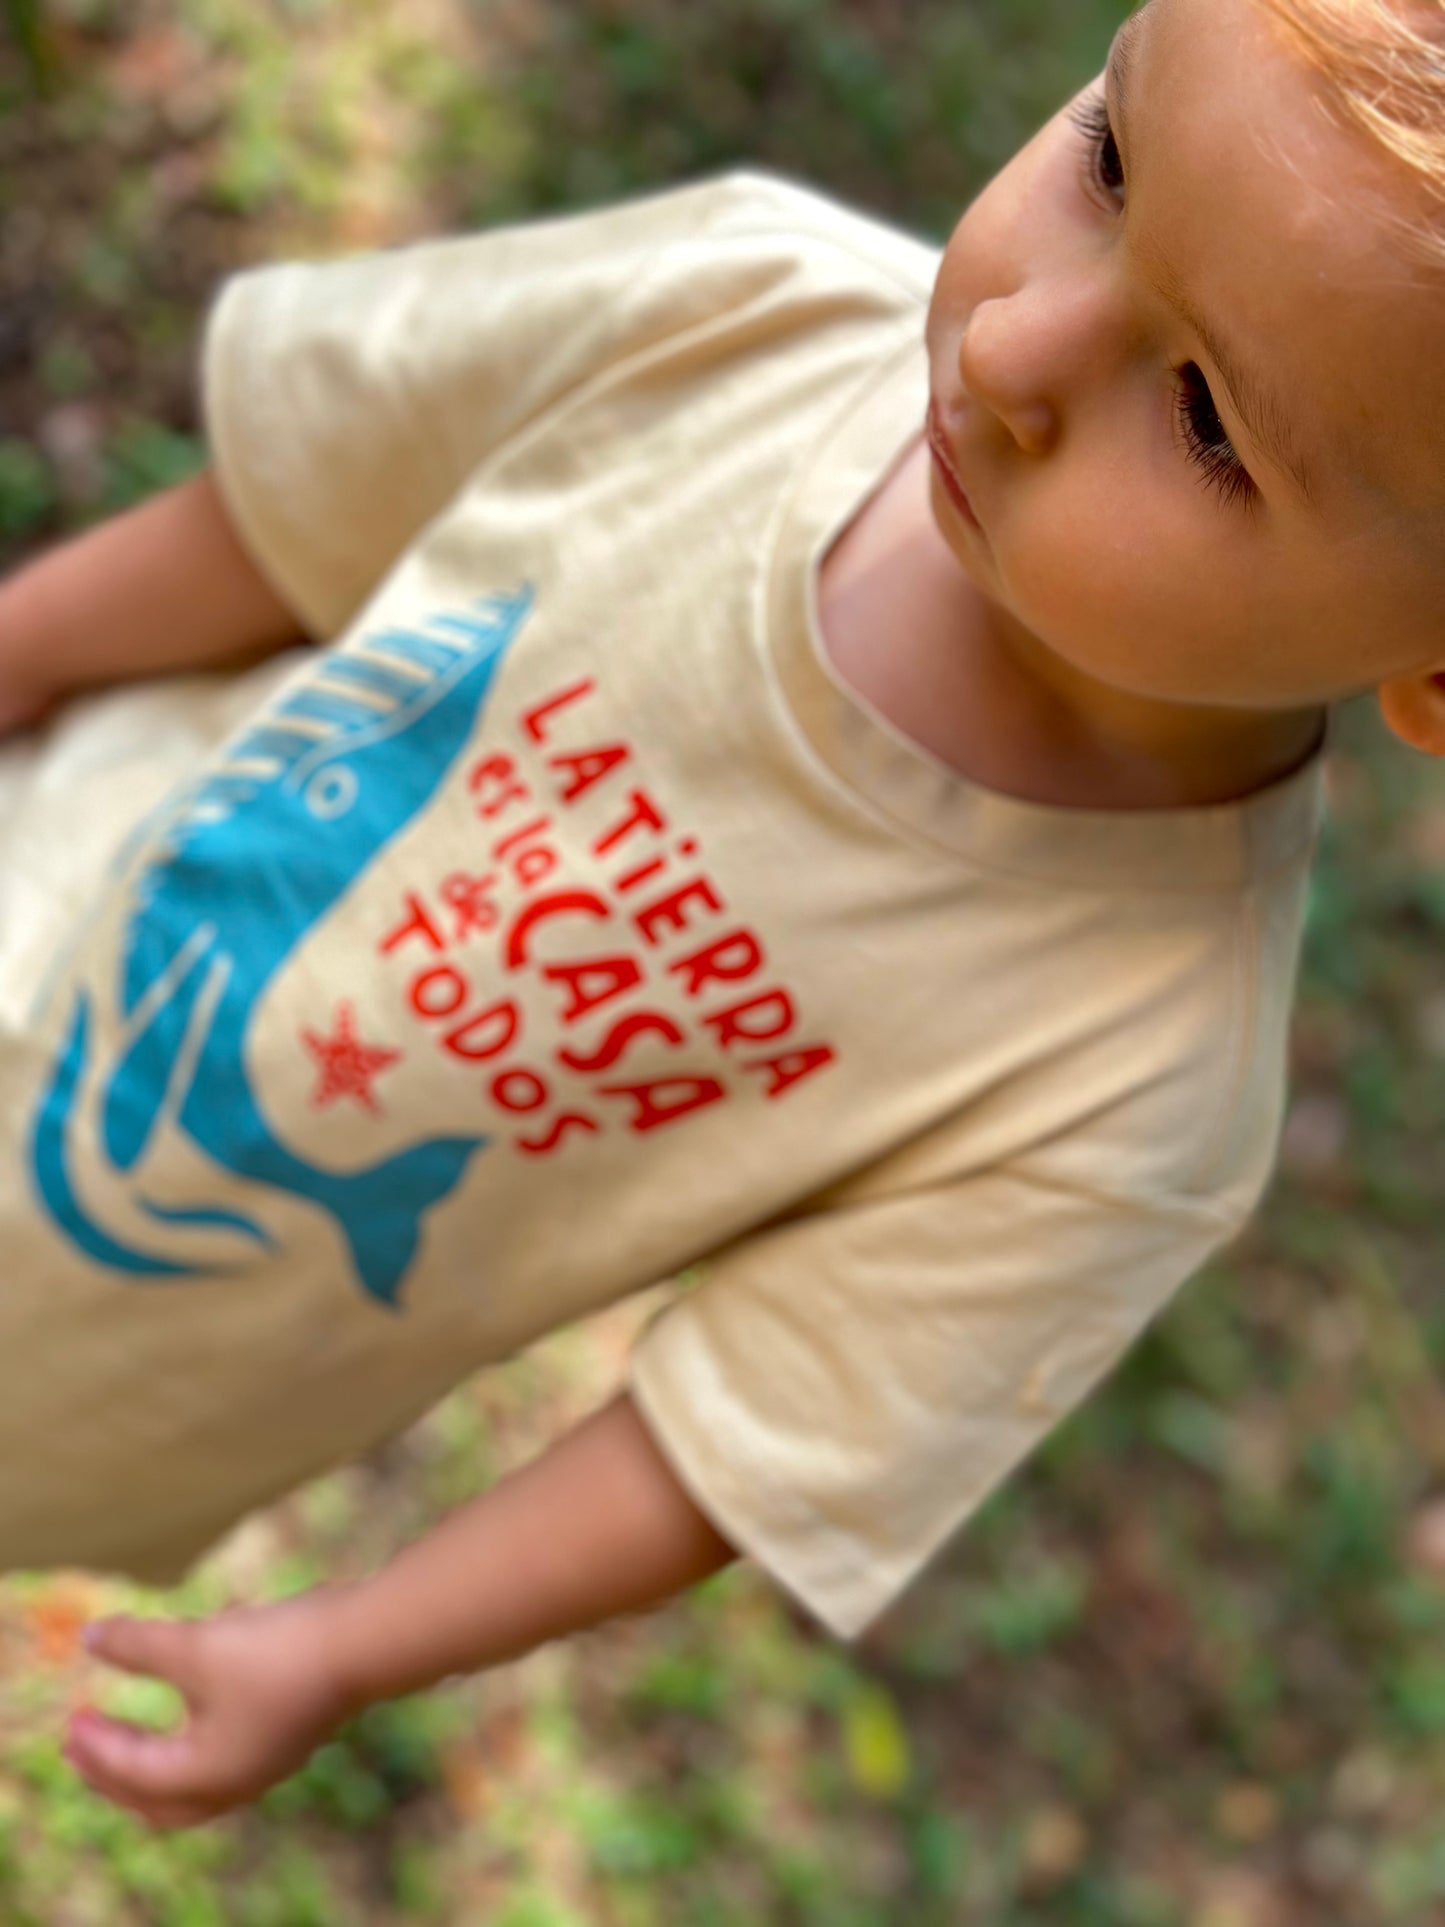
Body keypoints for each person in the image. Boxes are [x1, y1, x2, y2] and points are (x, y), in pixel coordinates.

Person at [0, 0, 1433, 1828]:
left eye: (1204, 419)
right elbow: (295, 511)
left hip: (89, 1355)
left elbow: (735, 1451)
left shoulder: (1130, 1071)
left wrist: (349, 1643)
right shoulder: (739, 304)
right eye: (1110, 158)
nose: (1007, 340)